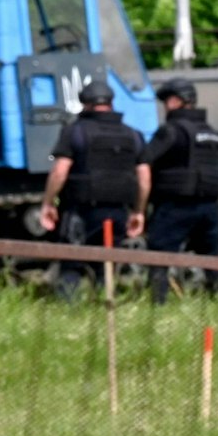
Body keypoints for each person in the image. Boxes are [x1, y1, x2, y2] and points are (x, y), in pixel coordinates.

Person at [37, 78, 148, 290]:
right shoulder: (133, 135)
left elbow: (60, 171)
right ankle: (103, 305)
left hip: (81, 210)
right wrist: (138, 211)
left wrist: (48, 203)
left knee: (71, 261)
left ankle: (69, 311)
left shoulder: (75, 131)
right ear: (111, 103)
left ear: (85, 103)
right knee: (106, 262)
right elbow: (144, 179)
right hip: (117, 212)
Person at [137, 76, 218, 304]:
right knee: (214, 259)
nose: (165, 107)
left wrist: (139, 206)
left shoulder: (170, 131)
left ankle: (158, 306)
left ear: (177, 101)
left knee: (159, 257)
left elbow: (144, 162)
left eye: (167, 101)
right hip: (209, 207)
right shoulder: (210, 131)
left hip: (176, 206)